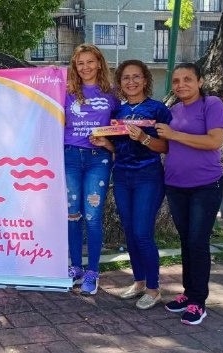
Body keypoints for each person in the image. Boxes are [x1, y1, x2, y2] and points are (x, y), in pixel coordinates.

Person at [91, 60, 172, 310]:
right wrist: (106, 144)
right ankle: (139, 283)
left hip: (148, 176)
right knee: (130, 232)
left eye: (136, 77)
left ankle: (154, 289)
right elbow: (120, 149)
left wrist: (145, 137)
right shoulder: (118, 114)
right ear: (120, 83)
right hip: (123, 177)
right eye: (126, 78)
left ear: (145, 80)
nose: (131, 82)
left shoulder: (158, 109)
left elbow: (166, 147)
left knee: (142, 233)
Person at [155, 63, 223, 325]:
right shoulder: (173, 111)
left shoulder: (212, 104)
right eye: (176, 81)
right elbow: (167, 146)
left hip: (205, 185)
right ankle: (189, 293)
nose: (181, 84)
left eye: (187, 79)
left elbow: (214, 141)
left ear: (200, 81)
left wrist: (175, 134)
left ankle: (199, 301)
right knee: (186, 241)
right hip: (176, 186)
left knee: (198, 242)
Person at [64, 44, 119, 295]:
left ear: (99, 63)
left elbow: (120, 130)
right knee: (72, 214)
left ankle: (92, 271)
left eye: (90, 62)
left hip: (99, 160)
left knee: (93, 216)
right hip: (70, 157)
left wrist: (108, 143)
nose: (85, 67)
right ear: (75, 67)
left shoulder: (112, 94)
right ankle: (75, 267)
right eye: (80, 63)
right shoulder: (65, 92)